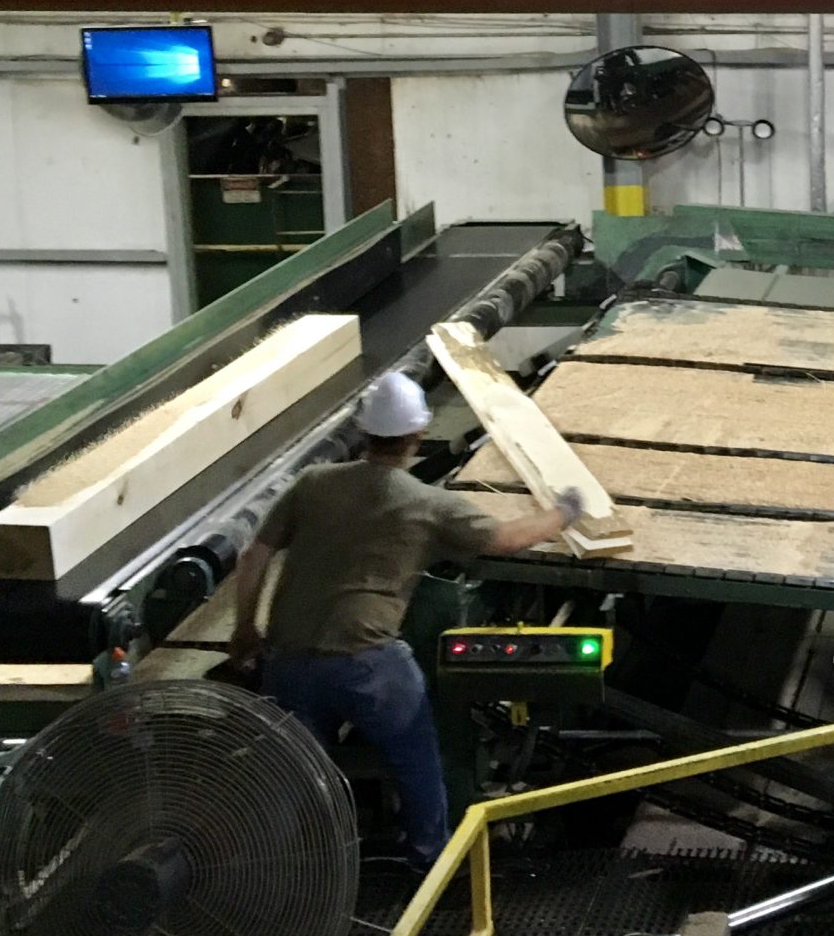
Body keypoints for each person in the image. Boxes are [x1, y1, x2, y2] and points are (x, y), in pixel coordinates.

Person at [227, 370, 579, 868]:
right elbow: (505, 539)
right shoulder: (426, 503)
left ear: (363, 432)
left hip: (290, 659)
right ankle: (429, 861)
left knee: (295, 772)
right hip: (368, 664)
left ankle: (282, 873)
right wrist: (564, 512)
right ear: (417, 436)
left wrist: (245, 629)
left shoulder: (312, 484)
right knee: (417, 764)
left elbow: (254, 555)